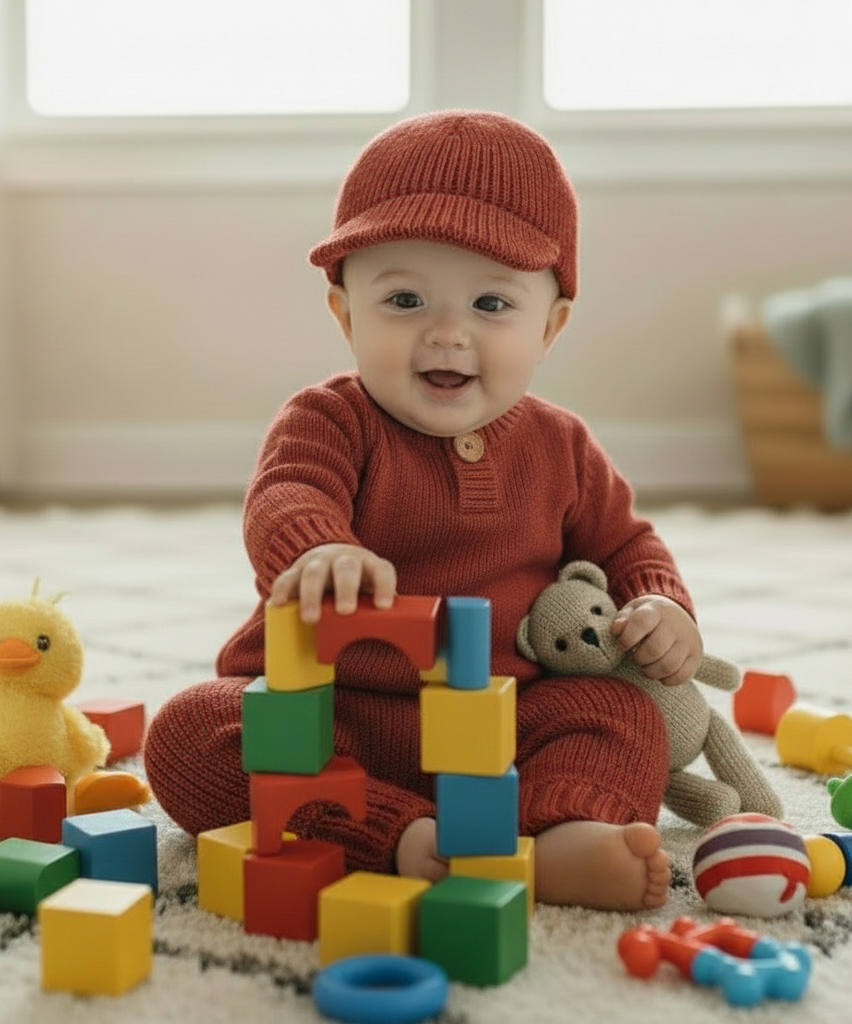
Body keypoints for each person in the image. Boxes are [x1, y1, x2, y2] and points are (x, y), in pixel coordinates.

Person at [144, 109, 704, 911]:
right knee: (190, 734)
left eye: (491, 305)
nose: (447, 333)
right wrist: (316, 550)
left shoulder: (563, 445)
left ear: (550, 328)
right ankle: (404, 837)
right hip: (334, 715)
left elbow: (625, 541)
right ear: (344, 315)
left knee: (618, 714)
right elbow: (286, 493)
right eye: (404, 299)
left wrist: (660, 604)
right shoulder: (330, 418)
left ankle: (561, 832)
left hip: (505, 718)